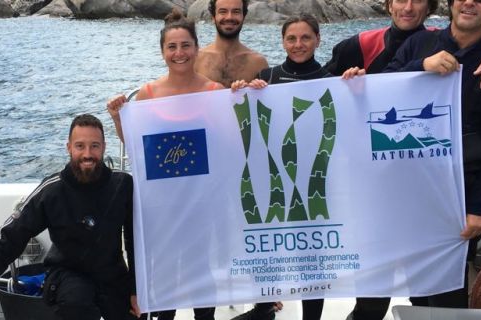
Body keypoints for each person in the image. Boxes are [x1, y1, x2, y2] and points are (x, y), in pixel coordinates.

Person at [0, 114, 139, 320]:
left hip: (111, 274)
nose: (87, 154)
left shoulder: (121, 185)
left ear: (103, 147)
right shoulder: (52, 191)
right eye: (80, 146)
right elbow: (9, 238)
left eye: (94, 146)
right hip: (68, 274)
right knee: (77, 301)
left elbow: (137, 242)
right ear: (69, 148)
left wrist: (137, 289)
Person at [383, 0, 481, 309]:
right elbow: (383, 88)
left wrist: (479, 206)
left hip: (458, 197)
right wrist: (421, 67)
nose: (469, 1)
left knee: (447, 291)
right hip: (408, 190)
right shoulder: (420, 43)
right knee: (417, 285)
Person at [107, 9, 224, 320]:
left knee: (202, 269)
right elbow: (135, 146)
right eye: (172, 47)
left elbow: (233, 144)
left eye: (185, 45)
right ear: (162, 52)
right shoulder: (148, 94)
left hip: (202, 201)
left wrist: (247, 94)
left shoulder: (216, 93)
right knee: (165, 271)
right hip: (162, 204)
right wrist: (119, 118)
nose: (179, 53)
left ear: (197, 48)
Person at [230, 13, 329, 320]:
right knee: (270, 251)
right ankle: (264, 312)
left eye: (305, 38)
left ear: (317, 40)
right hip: (276, 179)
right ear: (283, 41)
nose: (298, 45)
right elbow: (247, 125)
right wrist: (240, 93)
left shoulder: (331, 77)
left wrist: (354, 82)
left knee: (313, 260)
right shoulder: (267, 77)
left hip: (314, 177)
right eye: (291, 38)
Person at [329, 0, 481, 91]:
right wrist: (350, 83)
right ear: (389, 5)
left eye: (418, 0)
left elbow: (476, 48)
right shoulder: (362, 43)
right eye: (400, 0)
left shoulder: (437, 41)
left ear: (430, 8)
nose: (408, 7)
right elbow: (321, 81)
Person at [193, 0, 269, 87]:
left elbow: (266, 99)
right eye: (223, 12)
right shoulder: (196, 60)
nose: (229, 17)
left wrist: (257, 88)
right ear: (213, 17)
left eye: (236, 12)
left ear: (243, 17)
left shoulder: (258, 63)